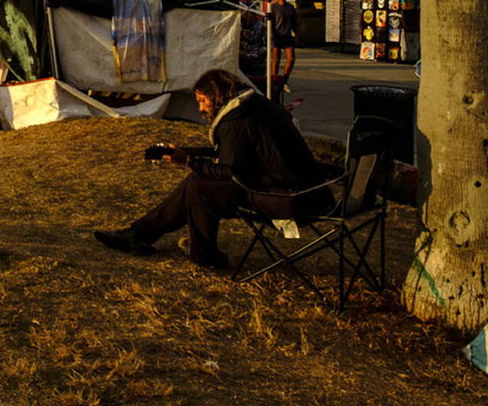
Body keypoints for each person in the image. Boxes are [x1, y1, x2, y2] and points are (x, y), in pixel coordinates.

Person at [92, 68, 330, 270]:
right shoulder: (252, 106)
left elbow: (229, 170)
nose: (200, 109)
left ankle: (201, 256)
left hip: (287, 197)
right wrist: (191, 153)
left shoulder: (238, 120)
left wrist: (189, 161)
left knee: (200, 186)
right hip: (302, 189)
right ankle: (142, 235)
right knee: (198, 183)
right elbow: (238, 154)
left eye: (202, 101)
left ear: (216, 97)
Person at [269, 0, 299, 92]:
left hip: (287, 35)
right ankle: (274, 81)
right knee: (276, 60)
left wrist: (296, 35)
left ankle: (284, 81)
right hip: (276, 35)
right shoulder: (273, 7)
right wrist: (271, 35)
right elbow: (270, 22)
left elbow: (294, 22)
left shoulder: (290, 7)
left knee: (291, 59)